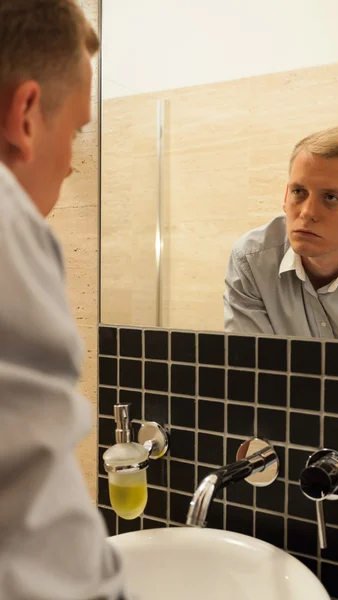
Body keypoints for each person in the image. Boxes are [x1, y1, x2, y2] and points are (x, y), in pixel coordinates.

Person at [0, 1, 126, 598]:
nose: (74, 162)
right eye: (76, 129)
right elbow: (32, 529)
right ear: (25, 114)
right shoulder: (8, 220)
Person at [224, 125, 338, 340]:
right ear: (285, 196)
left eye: (331, 197)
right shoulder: (252, 260)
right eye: (299, 192)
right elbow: (250, 366)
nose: (307, 212)